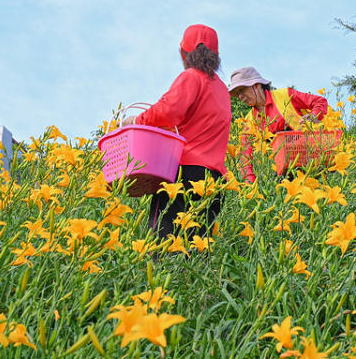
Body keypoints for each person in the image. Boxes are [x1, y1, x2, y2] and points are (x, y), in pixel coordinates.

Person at [122, 24, 231, 240]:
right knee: (197, 249)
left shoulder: (192, 77)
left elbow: (169, 110)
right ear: (216, 56)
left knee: (164, 246)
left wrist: (137, 120)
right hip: (215, 181)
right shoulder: (222, 90)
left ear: (184, 53)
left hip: (185, 174)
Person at [228, 67, 330, 183]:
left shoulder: (285, 95)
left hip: (311, 161)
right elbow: (245, 155)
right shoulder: (249, 121)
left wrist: (313, 116)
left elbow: (320, 102)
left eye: (242, 90)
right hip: (282, 172)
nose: (240, 97)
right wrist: (250, 184)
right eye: (237, 94)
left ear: (256, 85)